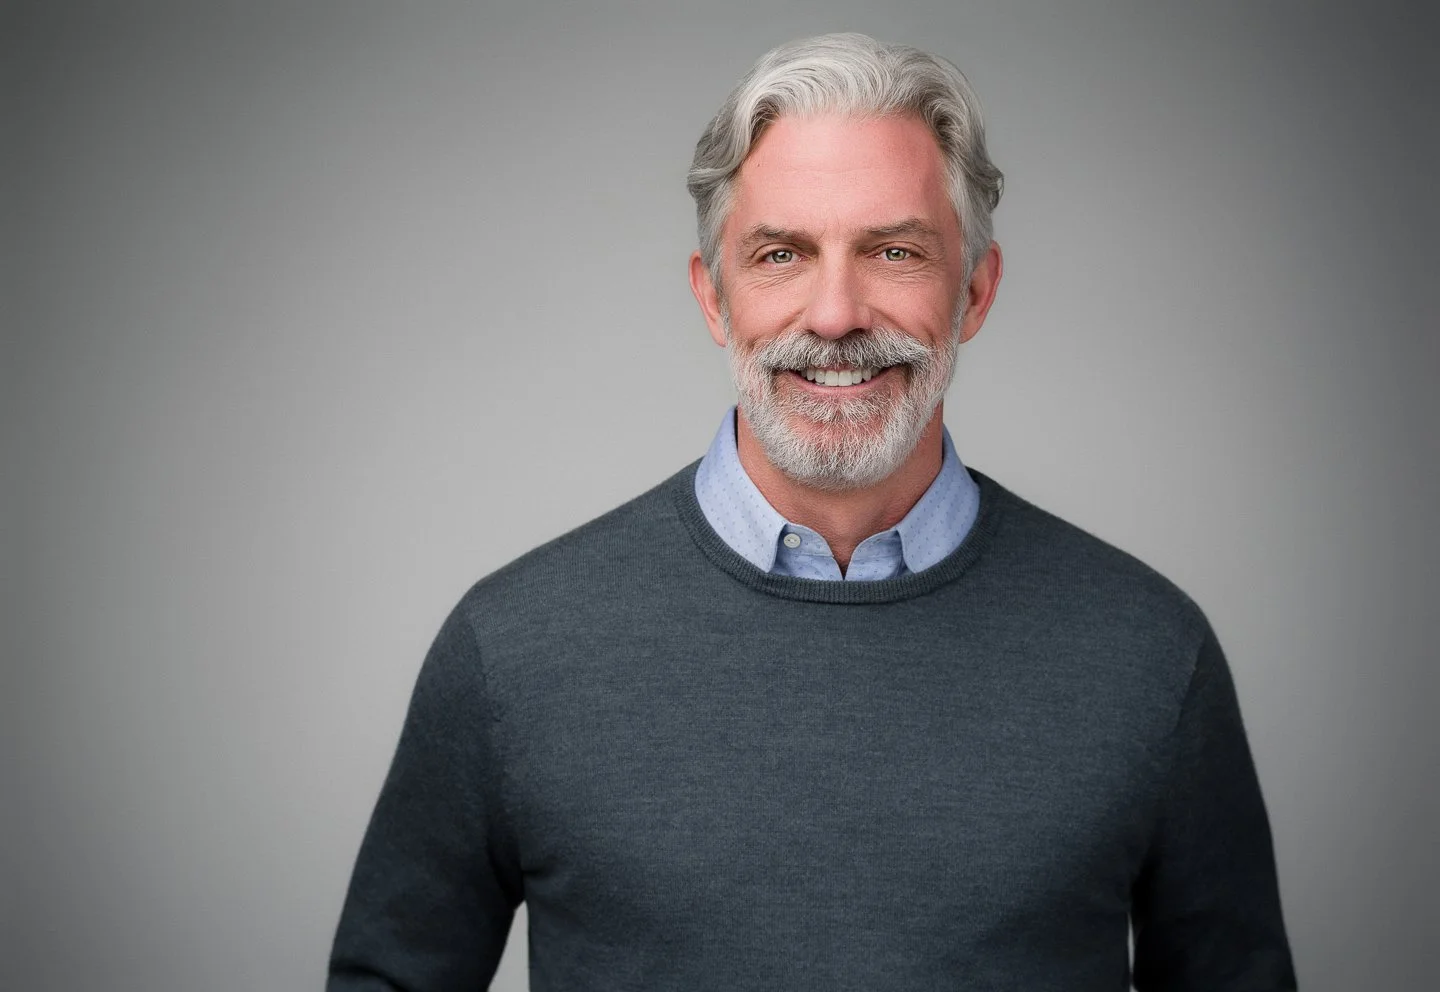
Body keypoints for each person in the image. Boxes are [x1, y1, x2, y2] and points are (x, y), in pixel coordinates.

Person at [327, 32, 1297, 991]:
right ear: (715, 298)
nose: (836, 314)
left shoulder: (1149, 653)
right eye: (783, 253)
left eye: (895, 250)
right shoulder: (514, 650)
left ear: (975, 292)